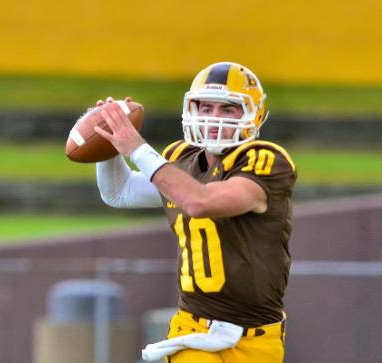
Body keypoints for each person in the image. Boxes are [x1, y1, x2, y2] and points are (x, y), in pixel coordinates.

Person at [93, 62, 297, 363]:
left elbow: (199, 201)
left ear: (253, 113)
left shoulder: (265, 160)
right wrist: (106, 144)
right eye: (206, 108)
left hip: (256, 338)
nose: (215, 119)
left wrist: (136, 148)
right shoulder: (180, 157)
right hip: (193, 329)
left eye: (228, 110)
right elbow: (119, 191)